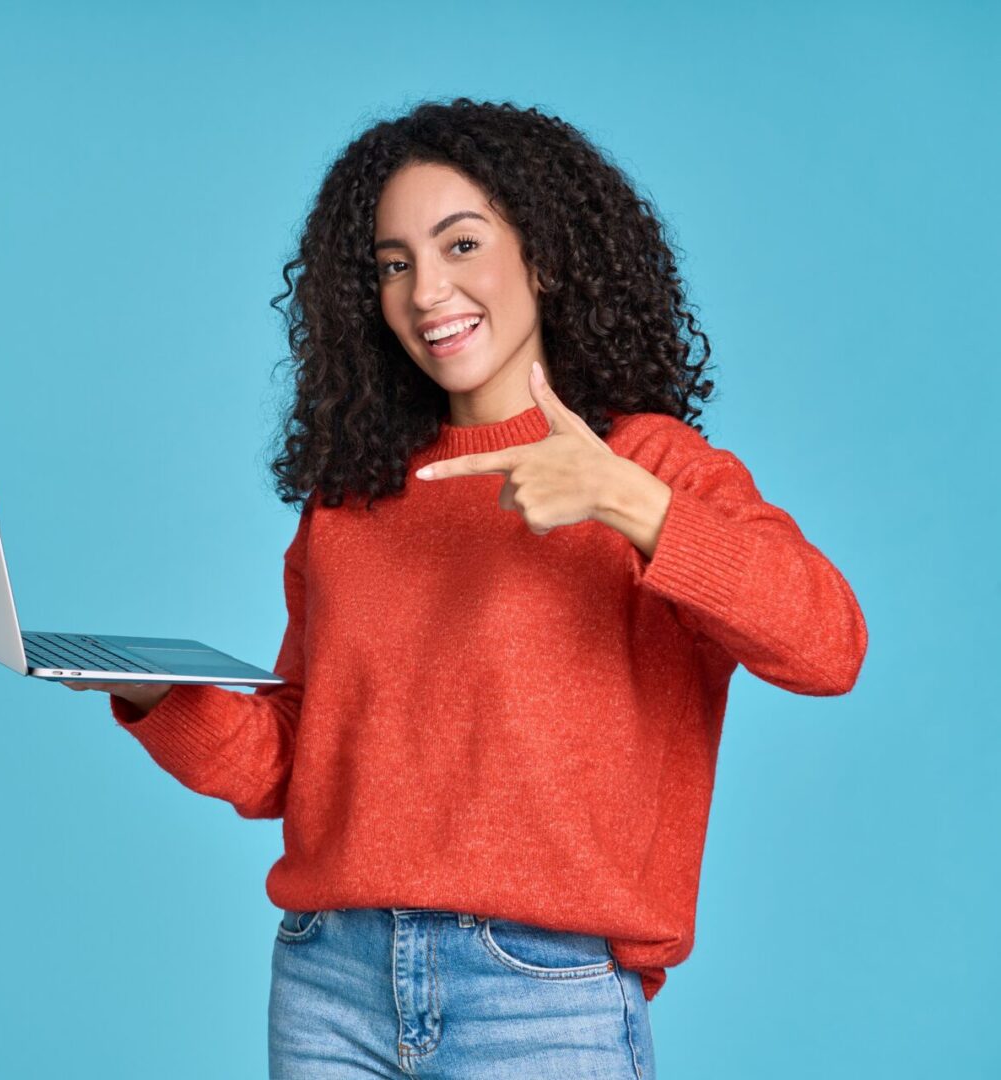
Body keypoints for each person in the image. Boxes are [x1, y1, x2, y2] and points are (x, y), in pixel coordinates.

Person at [65, 97, 867, 1079]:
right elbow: (293, 767)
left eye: (460, 244)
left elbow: (829, 644)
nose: (425, 290)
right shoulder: (351, 497)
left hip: (539, 994)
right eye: (394, 263)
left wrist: (634, 505)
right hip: (328, 981)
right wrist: (151, 697)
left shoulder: (650, 465)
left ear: (542, 253)